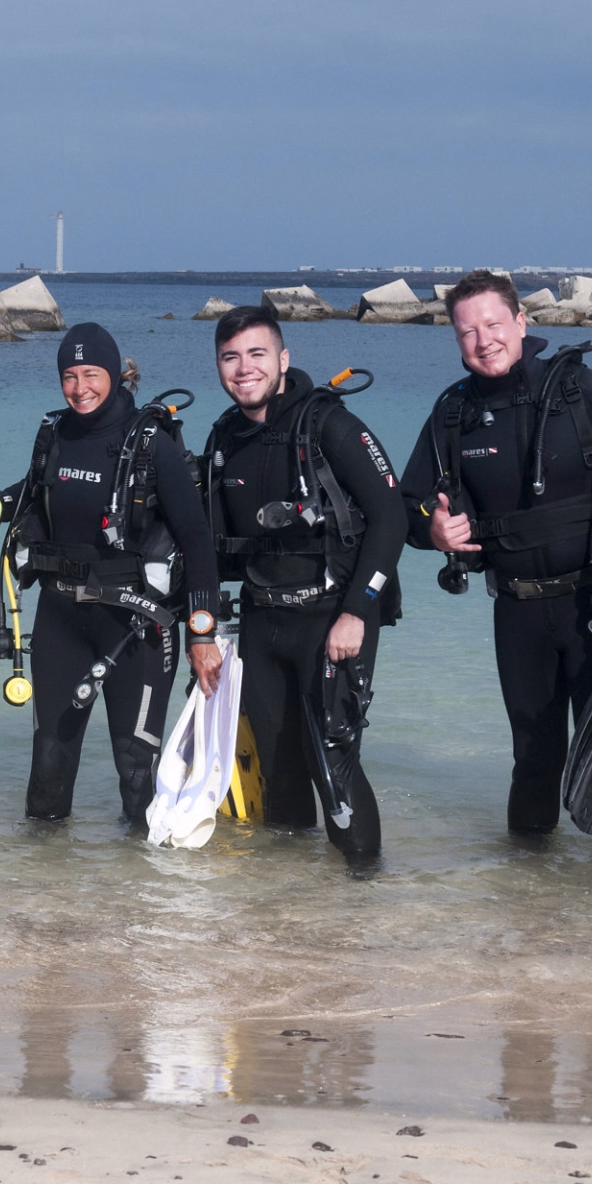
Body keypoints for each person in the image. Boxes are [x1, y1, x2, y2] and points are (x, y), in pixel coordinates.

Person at [396, 270, 592, 843]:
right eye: (467, 332)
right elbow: (404, 506)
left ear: (522, 322)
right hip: (518, 611)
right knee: (532, 758)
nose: (484, 341)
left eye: (494, 325)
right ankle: (528, 908)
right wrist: (434, 532)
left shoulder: (579, 389)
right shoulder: (452, 413)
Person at [201, 304, 404, 864]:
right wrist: (200, 627)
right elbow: (206, 543)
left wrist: (358, 610)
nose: (244, 368)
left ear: (284, 358)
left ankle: (364, 890)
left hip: (331, 619)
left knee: (334, 766)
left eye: (257, 354)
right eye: (231, 357)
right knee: (278, 771)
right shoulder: (224, 438)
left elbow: (392, 518)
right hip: (262, 622)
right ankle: (292, 913)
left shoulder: (329, 425)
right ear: (218, 365)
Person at [0, 323, 222, 823]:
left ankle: (139, 895)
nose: (80, 388)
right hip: (61, 616)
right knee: (48, 766)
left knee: (137, 771)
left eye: (92, 374)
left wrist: (202, 628)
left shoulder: (150, 442)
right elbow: (26, 495)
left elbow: (197, 538)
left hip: (136, 625)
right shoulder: (52, 434)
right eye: (70, 376)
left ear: (117, 374)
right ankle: (40, 889)